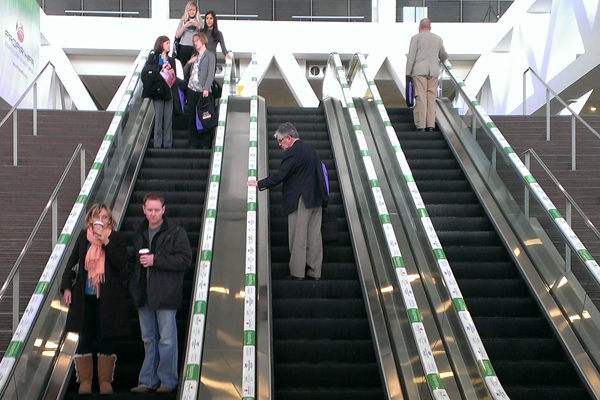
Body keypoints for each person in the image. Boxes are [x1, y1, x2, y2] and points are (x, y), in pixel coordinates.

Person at [60, 204, 130, 395]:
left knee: (104, 336)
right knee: (84, 337)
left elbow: (121, 264)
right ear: (91, 219)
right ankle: (85, 382)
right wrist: (66, 287)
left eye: (105, 217)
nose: (101, 220)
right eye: (97, 217)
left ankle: (105, 381)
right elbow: (71, 263)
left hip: (108, 298)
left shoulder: (116, 238)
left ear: (110, 221)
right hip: (84, 297)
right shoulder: (84, 238)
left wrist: (106, 242)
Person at [129, 193, 192, 394]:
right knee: (149, 338)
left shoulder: (176, 232)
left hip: (166, 293)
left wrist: (156, 260)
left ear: (164, 209)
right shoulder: (139, 232)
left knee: (166, 339)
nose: (153, 213)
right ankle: (147, 380)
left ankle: (167, 381)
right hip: (143, 292)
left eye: (157, 210)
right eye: (150, 210)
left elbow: (184, 259)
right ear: (144, 210)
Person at [248, 122, 327, 280]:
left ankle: (297, 273)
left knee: (298, 236)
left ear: (289, 138)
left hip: (301, 199)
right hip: (316, 199)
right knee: (314, 237)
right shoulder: (311, 150)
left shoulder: (293, 152)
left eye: (280, 140)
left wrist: (259, 184)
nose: (279, 144)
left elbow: (281, 175)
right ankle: (314, 273)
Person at [406, 18, 448, 132]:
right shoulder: (438, 39)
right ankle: (431, 125)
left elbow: (411, 57)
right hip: (433, 72)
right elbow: (444, 56)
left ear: (420, 27)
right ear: (430, 27)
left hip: (419, 71)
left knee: (421, 97)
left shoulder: (416, 38)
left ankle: (421, 126)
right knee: (431, 98)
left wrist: (408, 73)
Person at [184, 33, 216, 149]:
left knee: (205, 116)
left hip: (203, 90)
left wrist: (207, 88)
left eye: (197, 40)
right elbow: (184, 71)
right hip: (191, 89)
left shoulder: (210, 55)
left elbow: (211, 73)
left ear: (202, 41)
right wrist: (189, 62)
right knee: (192, 116)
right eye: (194, 41)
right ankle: (193, 142)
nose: (195, 43)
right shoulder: (195, 55)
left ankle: (205, 143)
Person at [147, 36, 176, 148]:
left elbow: (176, 76)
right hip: (158, 90)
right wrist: (161, 67)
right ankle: (158, 144)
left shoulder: (171, 59)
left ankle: (168, 143)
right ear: (161, 44)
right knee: (158, 117)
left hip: (168, 89)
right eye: (166, 43)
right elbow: (149, 69)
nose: (168, 45)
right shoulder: (153, 56)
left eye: (169, 43)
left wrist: (171, 70)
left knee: (168, 119)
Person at [174, 1, 202, 68]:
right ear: (187, 11)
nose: (192, 12)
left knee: (194, 68)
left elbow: (204, 36)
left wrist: (198, 26)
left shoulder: (200, 21)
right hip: (184, 47)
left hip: (195, 48)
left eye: (193, 10)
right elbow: (177, 35)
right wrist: (185, 26)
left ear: (196, 11)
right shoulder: (183, 20)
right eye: (190, 10)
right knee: (183, 68)